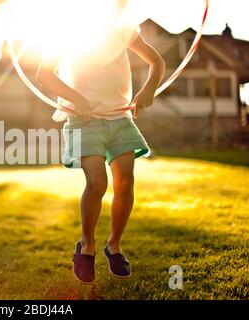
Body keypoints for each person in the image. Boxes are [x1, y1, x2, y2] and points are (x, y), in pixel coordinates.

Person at [36, 1, 165, 283]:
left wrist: (148, 89)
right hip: (85, 119)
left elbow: (157, 62)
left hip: (120, 118)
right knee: (97, 183)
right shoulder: (69, 31)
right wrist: (77, 99)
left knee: (125, 182)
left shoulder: (124, 31)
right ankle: (87, 246)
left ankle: (114, 246)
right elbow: (44, 74)